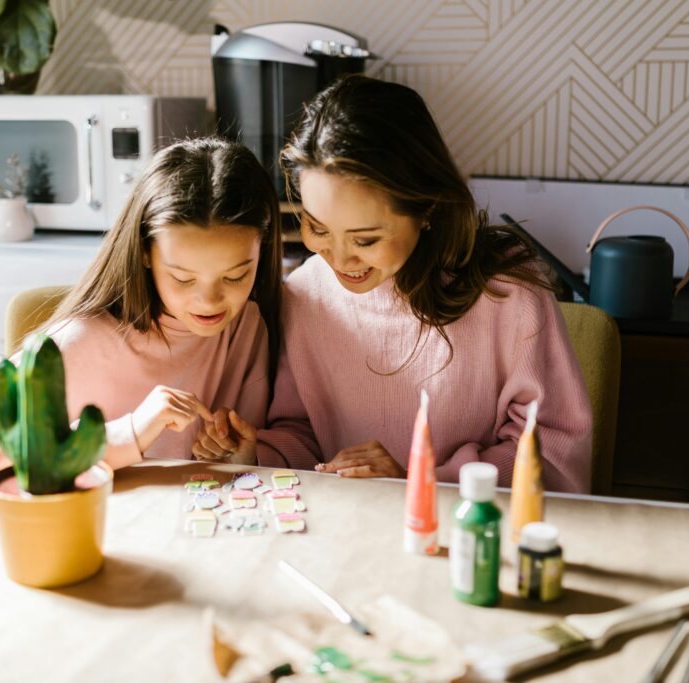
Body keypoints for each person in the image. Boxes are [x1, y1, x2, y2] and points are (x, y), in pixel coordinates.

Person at [193, 75, 593, 493]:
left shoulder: (509, 293)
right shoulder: (306, 292)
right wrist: (257, 455)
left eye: (366, 239)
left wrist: (415, 481)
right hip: (350, 532)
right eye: (316, 227)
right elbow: (304, 432)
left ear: (427, 209)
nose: (339, 259)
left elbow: (553, 456)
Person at [0, 138, 283, 489]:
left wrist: (238, 453)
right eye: (182, 277)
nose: (209, 301)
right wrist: (127, 433)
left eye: (236, 276)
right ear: (145, 253)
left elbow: (238, 469)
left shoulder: (246, 325)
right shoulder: (80, 340)